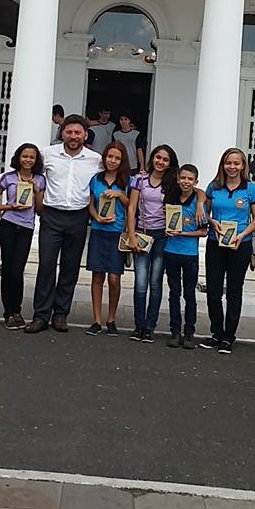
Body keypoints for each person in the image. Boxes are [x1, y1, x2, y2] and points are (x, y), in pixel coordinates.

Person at [25, 114, 101, 333]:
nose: (73, 136)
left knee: (70, 267)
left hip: (78, 217)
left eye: (78, 132)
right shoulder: (47, 154)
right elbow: (31, 176)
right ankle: (40, 315)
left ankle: (60, 314)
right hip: (51, 216)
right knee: (46, 265)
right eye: (69, 132)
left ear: (85, 135)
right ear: (62, 133)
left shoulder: (95, 159)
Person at [200, 148, 255, 355]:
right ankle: (216, 333)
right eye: (229, 163)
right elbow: (204, 211)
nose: (232, 167)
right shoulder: (214, 187)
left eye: (237, 163)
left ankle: (228, 336)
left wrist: (242, 235)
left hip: (239, 244)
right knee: (214, 291)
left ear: (243, 166)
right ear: (223, 164)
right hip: (214, 243)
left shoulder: (251, 190)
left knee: (234, 291)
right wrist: (211, 221)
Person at [126, 144, 179, 343]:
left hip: (162, 236)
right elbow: (131, 208)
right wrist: (131, 235)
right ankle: (138, 325)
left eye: (165, 159)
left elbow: (196, 192)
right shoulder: (139, 180)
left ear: (170, 163)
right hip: (142, 234)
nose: (160, 162)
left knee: (155, 282)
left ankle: (150, 327)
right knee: (140, 283)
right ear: (152, 158)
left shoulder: (173, 182)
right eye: (158, 157)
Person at [0, 143, 45, 329]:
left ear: (36, 160)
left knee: (17, 270)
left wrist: (36, 191)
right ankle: (8, 313)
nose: (28, 160)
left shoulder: (39, 179)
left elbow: (39, 210)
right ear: (18, 158)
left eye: (32, 157)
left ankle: (17, 310)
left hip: (26, 228)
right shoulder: (8, 178)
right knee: (7, 268)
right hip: (8, 225)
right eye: (24, 156)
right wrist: (10, 206)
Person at [86, 141, 130, 336]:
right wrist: (96, 217)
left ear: (122, 161)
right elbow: (89, 203)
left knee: (114, 278)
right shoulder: (96, 179)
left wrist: (120, 195)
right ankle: (96, 319)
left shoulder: (129, 181)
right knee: (97, 276)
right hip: (98, 230)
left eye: (117, 158)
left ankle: (111, 319)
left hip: (117, 232)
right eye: (110, 157)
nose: (113, 161)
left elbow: (132, 206)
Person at [164, 164, 208, 349]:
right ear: (177, 179)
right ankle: (175, 331)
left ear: (195, 182)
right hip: (171, 251)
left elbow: (204, 231)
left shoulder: (199, 203)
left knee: (189, 294)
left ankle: (189, 332)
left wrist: (182, 234)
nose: (186, 182)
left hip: (189, 254)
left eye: (190, 179)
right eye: (183, 178)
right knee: (174, 293)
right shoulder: (171, 197)